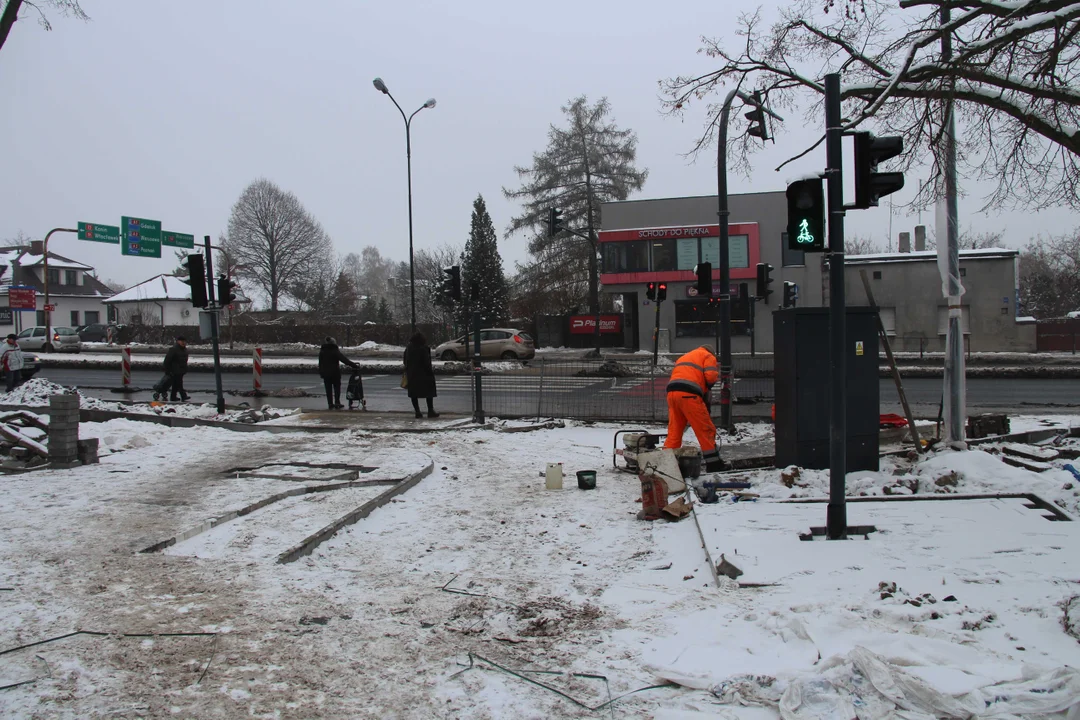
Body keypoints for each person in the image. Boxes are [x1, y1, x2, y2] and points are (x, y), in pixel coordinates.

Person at [663, 345, 725, 472]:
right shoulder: (708, 356)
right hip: (689, 395)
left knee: (675, 430)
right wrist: (708, 388)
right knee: (705, 429)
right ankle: (714, 464)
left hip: (672, 394)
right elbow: (711, 376)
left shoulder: (685, 356)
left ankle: (667, 464)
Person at [403, 332, 438, 419]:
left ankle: (417, 412)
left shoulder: (408, 348)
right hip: (424, 374)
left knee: (413, 394)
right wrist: (430, 371)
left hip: (412, 374)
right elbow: (426, 362)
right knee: (429, 392)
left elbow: (405, 361)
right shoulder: (423, 349)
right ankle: (430, 411)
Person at [318, 336, 358, 410]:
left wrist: (321, 372)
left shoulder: (322, 351)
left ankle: (330, 403)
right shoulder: (334, 350)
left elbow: (320, 363)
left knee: (328, 389)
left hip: (325, 374)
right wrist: (353, 365)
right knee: (337, 388)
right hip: (334, 373)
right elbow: (344, 359)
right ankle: (337, 402)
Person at [159, 336, 190, 402]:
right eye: (181, 341)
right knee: (179, 384)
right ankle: (183, 396)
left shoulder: (184, 349)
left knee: (176, 384)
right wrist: (168, 370)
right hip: (174, 370)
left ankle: (173, 397)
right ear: (178, 341)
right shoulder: (173, 349)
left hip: (181, 370)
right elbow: (167, 360)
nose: (183, 343)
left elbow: (184, 360)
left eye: (184, 341)